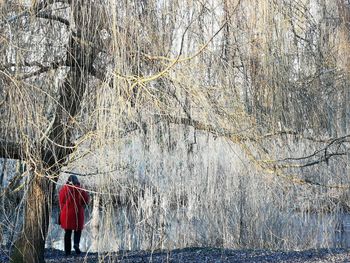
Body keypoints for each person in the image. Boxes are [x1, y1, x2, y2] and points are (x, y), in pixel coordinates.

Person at [59, 175, 89, 255]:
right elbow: (85, 201)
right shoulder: (81, 189)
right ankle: (76, 244)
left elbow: (61, 201)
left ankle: (67, 252)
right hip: (77, 213)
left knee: (67, 233)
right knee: (77, 230)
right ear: (77, 180)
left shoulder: (64, 189)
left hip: (67, 214)